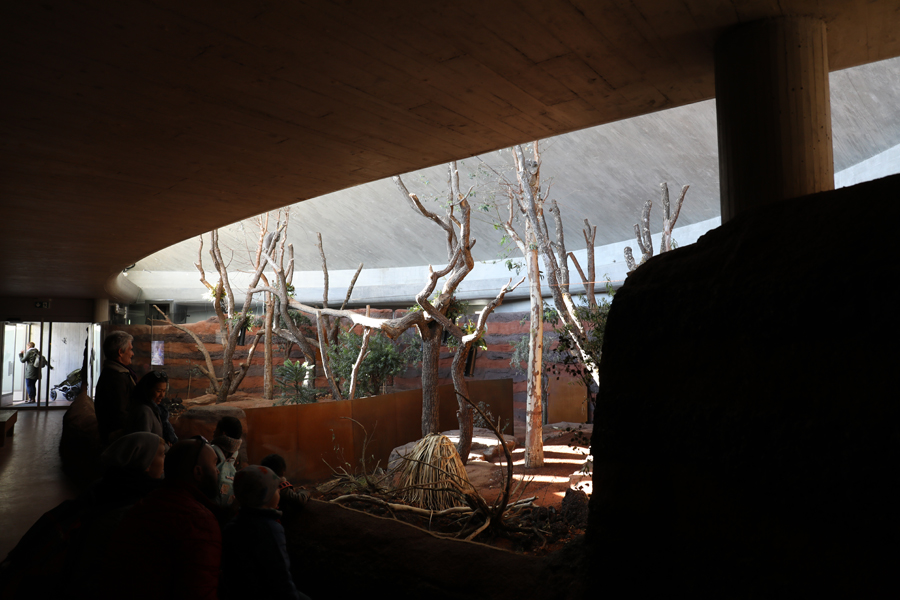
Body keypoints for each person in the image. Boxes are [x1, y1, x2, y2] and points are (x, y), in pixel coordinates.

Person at [0, 432, 165, 598]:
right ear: (146, 464)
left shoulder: (103, 485)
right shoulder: (138, 503)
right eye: (162, 455)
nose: (165, 460)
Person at [103, 437, 222, 600]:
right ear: (198, 472)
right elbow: (199, 589)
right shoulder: (199, 520)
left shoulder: (142, 504)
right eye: (215, 464)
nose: (218, 471)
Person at [221, 466, 311, 600]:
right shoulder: (271, 529)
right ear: (265, 495)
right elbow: (280, 577)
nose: (279, 490)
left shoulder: (233, 525)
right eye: (275, 488)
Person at [94, 331, 137, 445]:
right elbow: (120, 414)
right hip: (118, 439)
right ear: (120, 352)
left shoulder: (116, 373)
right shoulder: (116, 378)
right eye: (130, 349)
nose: (132, 353)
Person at [125, 370, 177, 445]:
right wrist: (164, 446)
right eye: (159, 391)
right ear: (147, 390)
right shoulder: (144, 411)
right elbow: (145, 443)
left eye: (164, 391)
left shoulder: (157, 410)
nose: (162, 395)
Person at [211, 416, 243, 511]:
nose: (214, 432)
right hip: (230, 507)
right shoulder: (237, 456)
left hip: (210, 505)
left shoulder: (210, 451)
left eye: (216, 429)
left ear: (222, 433)